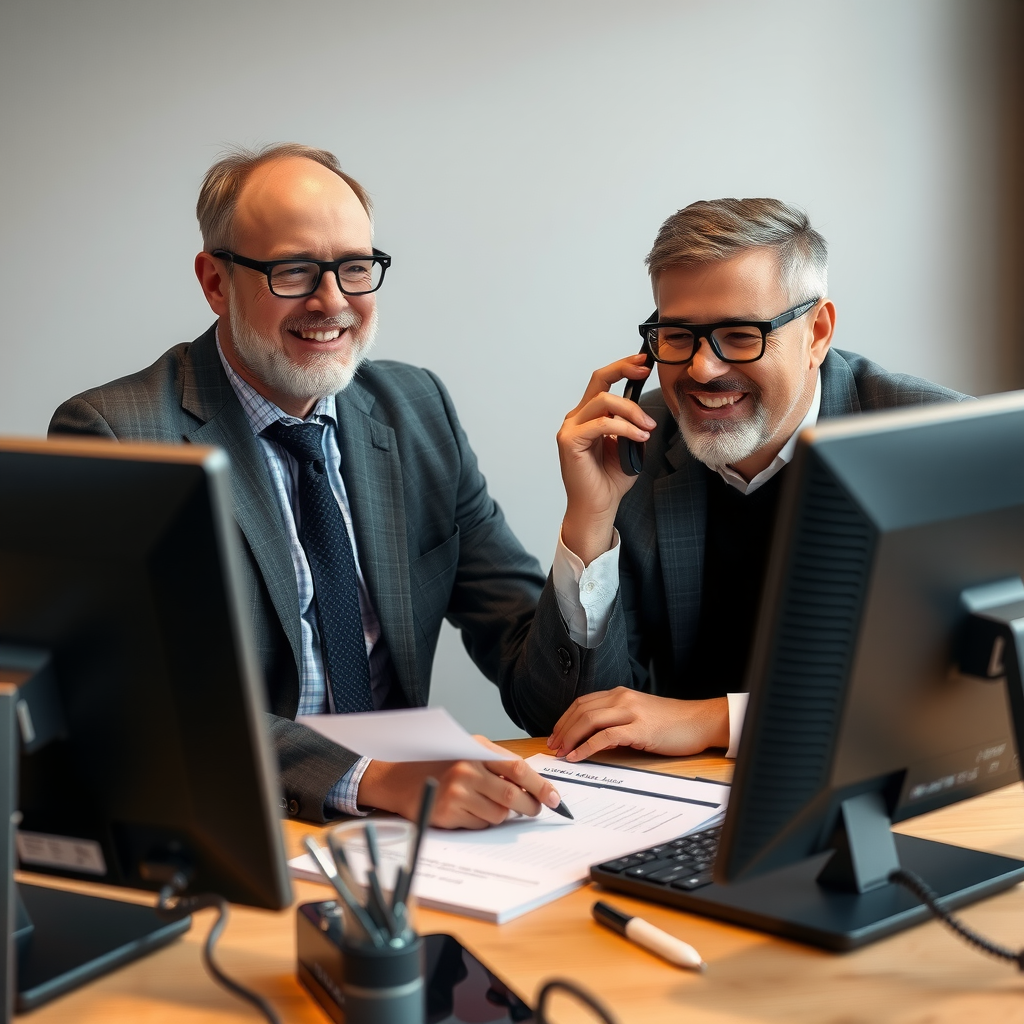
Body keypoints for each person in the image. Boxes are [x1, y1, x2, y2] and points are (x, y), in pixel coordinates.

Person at [49, 143, 562, 828]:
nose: (333, 302)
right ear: (215, 282)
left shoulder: (417, 410)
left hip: (415, 832)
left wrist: (588, 529)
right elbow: (144, 701)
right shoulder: (118, 436)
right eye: (293, 270)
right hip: (240, 823)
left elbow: (543, 691)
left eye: (355, 268)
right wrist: (371, 778)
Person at [510, 198, 969, 762]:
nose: (703, 368)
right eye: (678, 335)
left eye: (740, 334)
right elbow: (560, 722)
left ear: (817, 332)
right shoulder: (636, 447)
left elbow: (967, 691)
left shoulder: (944, 442)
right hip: (685, 801)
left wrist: (719, 719)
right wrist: (591, 521)